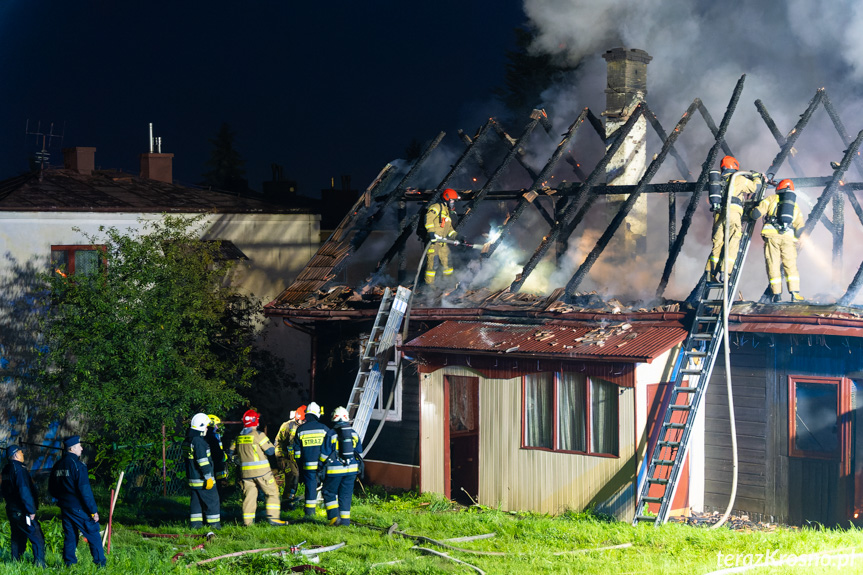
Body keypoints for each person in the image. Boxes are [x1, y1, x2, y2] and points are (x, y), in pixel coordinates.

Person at [48, 435, 106, 568]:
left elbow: (52, 488)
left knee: (70, 535)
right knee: (93, 534)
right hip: (78, 507)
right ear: (73, 449)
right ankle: (100, 565)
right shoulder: (78, 465)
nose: (82, 448)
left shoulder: (58, 465)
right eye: (79, 445)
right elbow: (85, 491)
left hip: (65, 507)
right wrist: (93, 511)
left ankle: (69, 564)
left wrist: (62, 498)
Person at [705, 156, 763, 282]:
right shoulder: (738, 179)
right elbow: (755, 187)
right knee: (733, 240)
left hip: (719, 214)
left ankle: (710, 273)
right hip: (732, 212)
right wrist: (757, 176)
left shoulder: (719, 180)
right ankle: (726, 272)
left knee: (718, 243)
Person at [749, 178, 805, 302]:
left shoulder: (771, 199)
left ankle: (777, 295)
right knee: (790, 266)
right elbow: (800, 228)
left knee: (773, 265)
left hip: (772, 237)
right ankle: (795, 294)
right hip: (788, 239)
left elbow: (756, 214)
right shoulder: (795, 206)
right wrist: (794, 238)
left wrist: (750, 210)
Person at [228, 409, 287, 526]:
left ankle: (247, 523)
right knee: (272, 493)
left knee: (249, 497)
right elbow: (270, 451)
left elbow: (230, 454)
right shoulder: (259, 435)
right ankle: (273, 519)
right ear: (256, 421)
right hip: (262, 473)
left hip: (245, 474)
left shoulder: (238, 437)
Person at [1, 445, 46, 567]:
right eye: (21, 452)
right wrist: (31, 510)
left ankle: (15, 563)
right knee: (36, 536)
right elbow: (24, 491)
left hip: (11, 509)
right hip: (22, 510)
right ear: (15, 455)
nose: (23, 455)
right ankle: (40, 564)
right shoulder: (19, 470)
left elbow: (3, 491)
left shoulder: (5, 470)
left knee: (17, 536)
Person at [320, 407, 363, 526]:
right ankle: (345, 522)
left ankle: (334, 518)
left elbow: (324, 455)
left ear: (334, 418)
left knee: (329, 492)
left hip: (335, 470)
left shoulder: (331, 433)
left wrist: (321, 466)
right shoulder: (354, 433)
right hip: (352, 470)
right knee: (346, 495)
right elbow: (360, 453)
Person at [183, 413, 221, 530]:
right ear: (201, 426)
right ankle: (214, 527)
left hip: (193, 480)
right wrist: (208, 477)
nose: (206, 429)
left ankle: (195, 526)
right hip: (203, 480)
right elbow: (203, 462)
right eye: (205, 426)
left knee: (196, 503)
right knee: (213, 502)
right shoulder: (199, 442)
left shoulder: (188, 440)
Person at [292, 402, 329, 519]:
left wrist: (299, 463)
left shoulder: (300, 429)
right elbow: (330, 447)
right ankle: (332, 511)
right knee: (329, 486)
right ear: (317, 414)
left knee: (310, 487)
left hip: (307, 466)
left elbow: (296, 451)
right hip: (322, 466)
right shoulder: (324, 429)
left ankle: (310, 512)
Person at [423, 188, 461, 286]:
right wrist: (431, 233)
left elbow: (449, 229)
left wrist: (457, 236)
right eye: (452, 200)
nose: (453, 203)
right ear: (447, 199)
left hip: (443, 243)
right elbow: (428, 219)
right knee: (433, 266)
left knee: (448, 265)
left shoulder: (446, 212)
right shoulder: (437, 207)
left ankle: (448, 285)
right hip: (434, 242)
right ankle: (429, 287)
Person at [275, 405, 305, 510]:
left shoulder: (305, 426)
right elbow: (278, 442)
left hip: (298, 457)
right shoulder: (287, 426)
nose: (302, 423)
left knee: (296, 476)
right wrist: (280, 458)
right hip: (286, 457)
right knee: (293, 474)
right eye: (301, 420)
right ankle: (287, 501)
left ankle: (290, 499)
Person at [205, 414, 229, 491]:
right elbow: (217, 453)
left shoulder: (212, 436)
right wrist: (223, 456)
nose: (217, 427)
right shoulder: (212, 437)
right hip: (215, 465)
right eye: (216, 425)